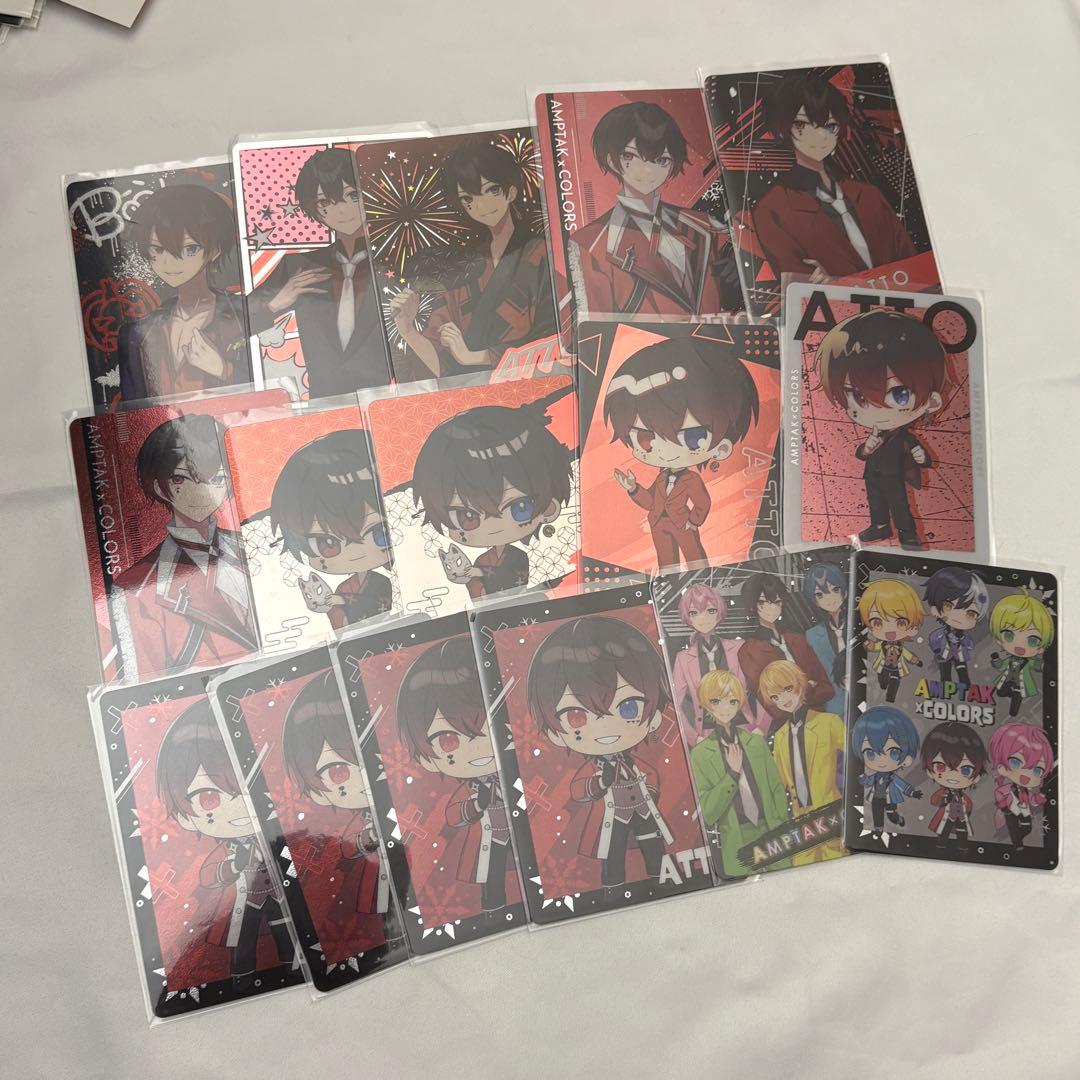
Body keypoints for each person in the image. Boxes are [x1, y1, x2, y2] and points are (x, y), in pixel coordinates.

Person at [157, 699, 294, 990]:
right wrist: (233, 865)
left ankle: (293, 966)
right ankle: (242, 978)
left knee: (286, 933)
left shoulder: (273, 834)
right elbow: (209, 875)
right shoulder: (227, 847)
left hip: (277, 896)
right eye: (210, 797)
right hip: (244, 900)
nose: (238, 806)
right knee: (244, 939)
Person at [527, 616, 674, 886]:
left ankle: (660, 877)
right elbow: (578, 790)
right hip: (610, 817)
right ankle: (613, 885)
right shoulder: (594, 768)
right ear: (555, 732)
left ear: (653, 717)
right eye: (576, 716)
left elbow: (650, 774)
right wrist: (599, 783)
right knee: (612, 851)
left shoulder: (632, 762)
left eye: (628, 707)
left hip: (643, 811)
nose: (605, 725)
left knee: (652, 843)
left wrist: (649, 788)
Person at [390, 143, 556, 380]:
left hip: (528, 387)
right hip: (470, 390)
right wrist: (407, 329)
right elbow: (440, 362)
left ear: (511, 192)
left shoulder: (542, 254)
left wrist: (473, 357)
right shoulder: (464, 267)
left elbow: (553, 340)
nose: (479, 205)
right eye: (468, 198)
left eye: (491, 190)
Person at [568, 102, 743, 317]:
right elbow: (597, 328)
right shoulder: (590, 243)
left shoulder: (702, 225)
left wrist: (734, 281)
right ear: (612, 160)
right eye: (631, 156)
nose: (648, 170)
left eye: (661, 160)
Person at [113, 414, 257, 678]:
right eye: (181, 479)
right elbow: (148, 681)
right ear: (159, 486)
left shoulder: (255, 545)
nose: (201, 491)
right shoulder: (137, 586)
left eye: (217, 479)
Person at [603, 335, 759, 570]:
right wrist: (633, 488)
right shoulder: (661, 478)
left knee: (695, 560)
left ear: (721, 448)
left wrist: (693, 522)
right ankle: (670, 583)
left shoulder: (691, 480)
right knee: (667, 564)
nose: (664, 449)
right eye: (644, 438)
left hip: (682, 524)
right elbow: (651, 502)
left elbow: (703, 502)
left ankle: (703, 579)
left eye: (692, 437)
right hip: (658, 524)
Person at [245, 147, 390, 398]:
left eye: (352, 195)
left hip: (388, 403)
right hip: (323, 404)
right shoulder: (299, 266)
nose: (341, 210)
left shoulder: (396, 263)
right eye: (325, 202)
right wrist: (274, 304)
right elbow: (232, 322)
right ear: (313, 207)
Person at [752, 72, 917, 282]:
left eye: (829, 126)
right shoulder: (773, 209)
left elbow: (914, 267)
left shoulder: (869, 195)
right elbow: (797, 287)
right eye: (802, 124)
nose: (820, 135)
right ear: (782, 130)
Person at [396, 635, 513, 912]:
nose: (476, 746)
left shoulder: (510, 775)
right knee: (492, 877)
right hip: (488, 839)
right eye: (449, 739)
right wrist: (476, 804)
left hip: (515, 834)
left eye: (486, 729)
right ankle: (493, 906)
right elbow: (453, 815)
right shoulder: (470, 787)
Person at [411, 400, 574, 599]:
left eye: (519, 507)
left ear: (549, 509)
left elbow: (516, 579)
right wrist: (466, 577)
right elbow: (476, 590)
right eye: (467, 516)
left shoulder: (518, 556)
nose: (494, 525)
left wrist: (480, 573)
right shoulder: (481, 559)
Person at [814, 309, 946, 549]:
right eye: (857, 396)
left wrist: (921, 457)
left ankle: (907, 534)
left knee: (900, 506)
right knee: (876, 504)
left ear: (932, 401)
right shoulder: (875, 434)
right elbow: (861, 454)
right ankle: (880, 526)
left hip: (894, 477)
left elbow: (923, 457)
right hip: (873, 476)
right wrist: (867, 447)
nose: (875, 409)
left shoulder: (904, 438)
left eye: (899, 394)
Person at [281, 670, 389, 941]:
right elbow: (348, 846)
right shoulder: (359, 820)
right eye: (338, 770)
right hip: (373, 886)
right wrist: (370, 836)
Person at [119, 184, 248, 402]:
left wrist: (222, 370)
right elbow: (134, 410)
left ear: (215, 250)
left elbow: (273, 384)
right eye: (158, 249)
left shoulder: (245, 314)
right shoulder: (135, 333)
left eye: (190, 249)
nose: (170, 262)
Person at [269, 429, 393, 632]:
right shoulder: (343, 588)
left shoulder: (381, 582)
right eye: (327, 543)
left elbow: (380, 605)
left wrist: (341, 601)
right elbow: (340, 623)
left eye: (378, 533)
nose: (357, 553)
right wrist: (330, 606)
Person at [690, 669, 790, 878]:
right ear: (706, 704)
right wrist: (732, 775)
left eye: (732, 701)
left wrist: (780, 823)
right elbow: (708, 812)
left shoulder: (756, 743)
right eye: (716, 701)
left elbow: (776, 787)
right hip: (737, 837)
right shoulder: (700, 754)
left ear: (740, 703)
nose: (725, 708)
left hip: (771, 829)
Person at [760, 660, 845, 862]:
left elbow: (857, 758)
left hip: (831, 810)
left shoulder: (828, 722)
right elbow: (778, 781)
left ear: (800, 684)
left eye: (787, 689)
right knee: (803, 864)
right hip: (801, 817)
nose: (783, 699)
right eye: (775, 696)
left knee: (838, 860)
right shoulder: (780, 737)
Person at [736, 573, 834, 732]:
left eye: (776, 602)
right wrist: (808, 688)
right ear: (752, 605)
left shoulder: (798, 639)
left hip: (821, 719)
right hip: (789, 728)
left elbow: (827, 689)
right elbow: (770, 703)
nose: (770, 608)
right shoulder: (748, 651)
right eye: (762, 602)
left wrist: (797, 694)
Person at [671, 582, 765, 740]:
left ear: (719, 613)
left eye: (711, 610)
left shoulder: (738, 647)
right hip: (708, 734)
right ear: (688, 618)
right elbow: (674, 703)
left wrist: (761, 726)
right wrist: (693, 737)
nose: (703, 618)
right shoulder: (683, 659)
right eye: (694, 613)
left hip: (745, 727)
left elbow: (762, 686)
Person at [850, 705, 922, 841]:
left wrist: (913, 793)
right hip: (876, 798)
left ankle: (898, 819)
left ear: (906, 758)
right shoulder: (875, 776)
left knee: (891, 815)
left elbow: (902, 785)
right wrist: (861, 777)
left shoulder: (893, 777)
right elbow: (867, 781)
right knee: (877, 813)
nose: (882, 760)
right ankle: (878, 829)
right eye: (870, 754)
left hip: (890, 799)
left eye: (893, 752)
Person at [858, 578, 924, 703]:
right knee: (883, 681)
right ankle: (883, 685)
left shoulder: (901, 647)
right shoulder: (882, 644)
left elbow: (908, 655)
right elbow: (874, 646)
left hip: (897, 668)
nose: (890, 631)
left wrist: (916, 661)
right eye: (878, 623)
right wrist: (867, 643)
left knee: (895, 681)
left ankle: (890, 698)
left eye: (901, 623)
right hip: (883, 666)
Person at [989, 722, 1054, 848]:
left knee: (1027, 828)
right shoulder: (1008, 788)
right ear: (1002, 767)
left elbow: (1032, 799)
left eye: (1037, 770)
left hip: (1024, 811)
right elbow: (999, 792)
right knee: (1012, 827)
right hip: (1010, 811)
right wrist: (1003, 804)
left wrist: (1039, 797)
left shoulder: (1026, 792)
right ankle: (1017, 843)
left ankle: (1016, 840)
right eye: (1016, 762)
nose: (1026, 775)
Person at [989, 592, 1053, 717]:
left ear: (1041, 647)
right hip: (1008, 680)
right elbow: (1001, 666)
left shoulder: (1030, 661)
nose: (1019, 645)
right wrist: (996, 659)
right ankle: (1011, 691)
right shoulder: (1010, 659)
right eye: (1009, 635)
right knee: (1000, 693)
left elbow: (1036, 666)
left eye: (1032, 640)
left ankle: (1015, 701)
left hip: (1021, 683)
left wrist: (1044, 665)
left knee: (1015, 705)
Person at [921, 722, 987, 842]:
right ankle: (941, 843)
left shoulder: (963, 797)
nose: (953, 775)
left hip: (960, 817)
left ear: (976, 776)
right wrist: (944, 800)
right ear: (930, 771)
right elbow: (934, 800)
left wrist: (965, 808)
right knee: (944, 830)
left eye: (966, 770)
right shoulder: (943, 792)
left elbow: (969, 805)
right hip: (946, 816)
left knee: (962, 831)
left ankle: (963, 846)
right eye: (941, 766)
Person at [924, 566, 988, 686]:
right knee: (945, 677)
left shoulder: (964, 634)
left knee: (963, 677)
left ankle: (966, 690)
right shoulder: (941, 632)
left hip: (960, 657)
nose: (957, 616)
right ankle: (945, 690)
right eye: (948, 606)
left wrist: (962, 637)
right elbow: (933, 638)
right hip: (944, 656)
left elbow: (970, 645)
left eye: (970, 613)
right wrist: (937, 650)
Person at [802, 560, 850, 716]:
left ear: (845, 592)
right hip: (833, 707)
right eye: (820, 594)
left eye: (835, 589)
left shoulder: (860, 626)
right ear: (815, 601)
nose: (829, 598)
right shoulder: (812, 635)